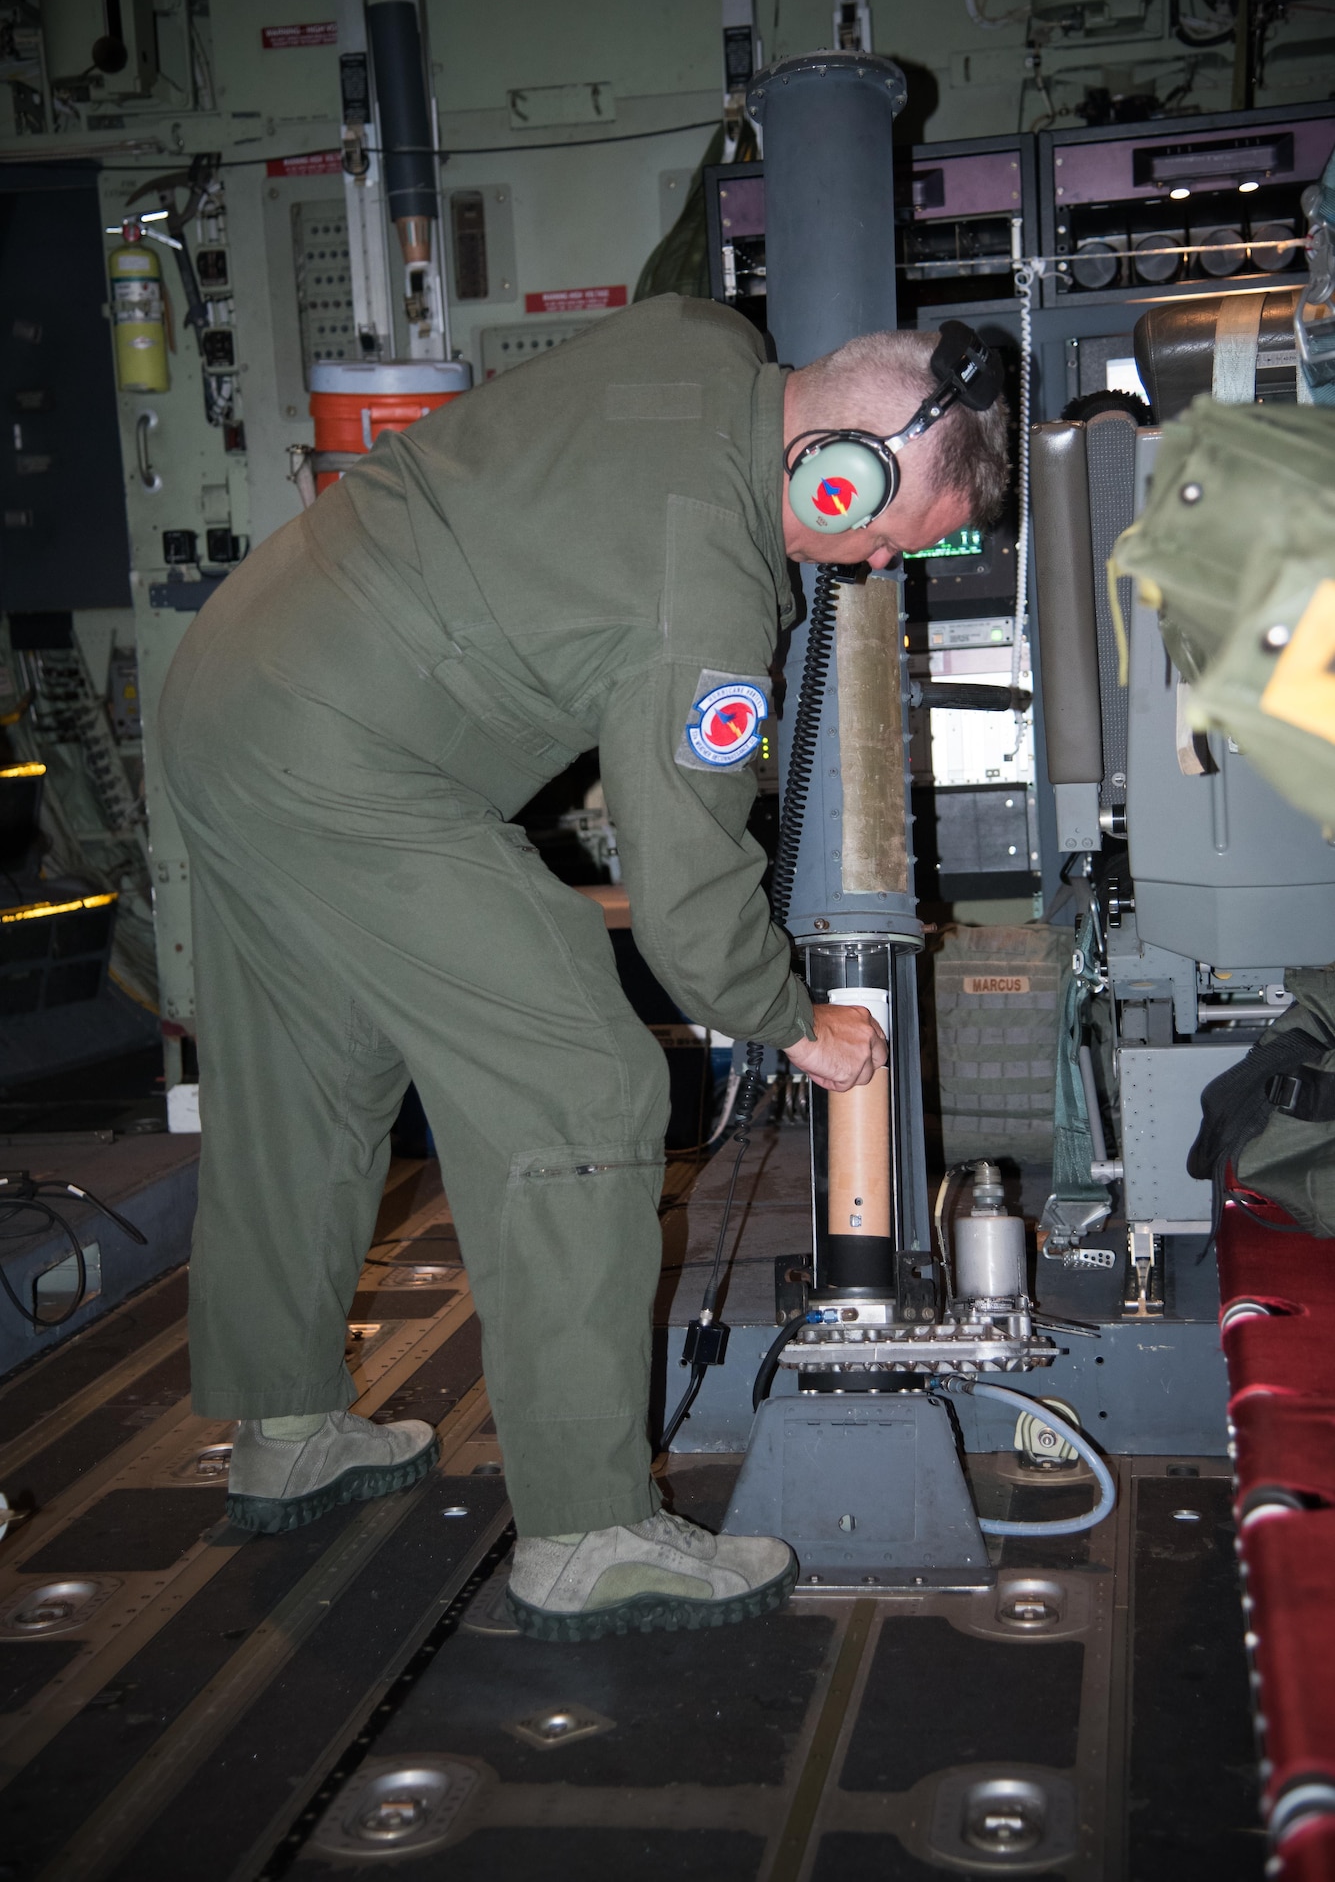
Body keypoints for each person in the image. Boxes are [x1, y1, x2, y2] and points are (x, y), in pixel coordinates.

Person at [158, 294, 1008, 1641]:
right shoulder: (711, 584)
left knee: (310, 1075)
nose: (847, 564)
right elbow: (686, 881)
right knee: (585, 1087)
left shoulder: (703, 345)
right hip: (355, 760)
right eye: (868, 532)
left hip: (228, 687)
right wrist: (793, 1022)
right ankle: (588, 1532)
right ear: (837, 463)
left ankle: (287, 1431)